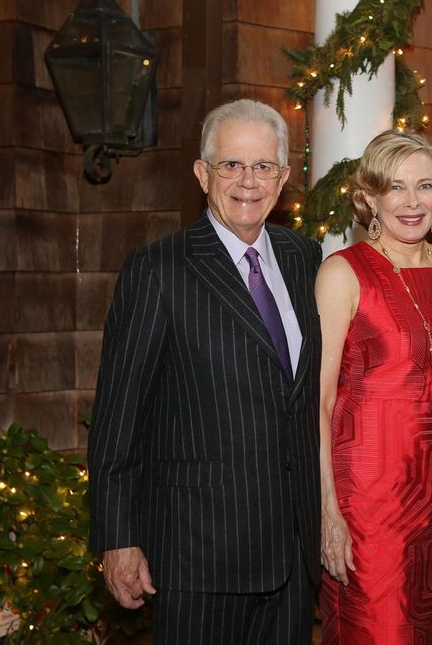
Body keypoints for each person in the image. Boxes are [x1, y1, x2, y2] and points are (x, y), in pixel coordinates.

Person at [87, 99, 322, 644]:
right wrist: (119, 538)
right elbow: (118, 417)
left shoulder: (305, 259)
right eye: (231, 165)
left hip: (292, 549)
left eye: (264, 166)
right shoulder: (159, 270)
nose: (248, 180)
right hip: (199, 554)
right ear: (202, 173)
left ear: (284, 177)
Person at [315, 129, 432, 644]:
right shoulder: (344, 273)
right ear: (369, 197)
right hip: (369, 508)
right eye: (396, 187)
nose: (412, 202)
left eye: (424, 186)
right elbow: (317, 402)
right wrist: (328, 512)